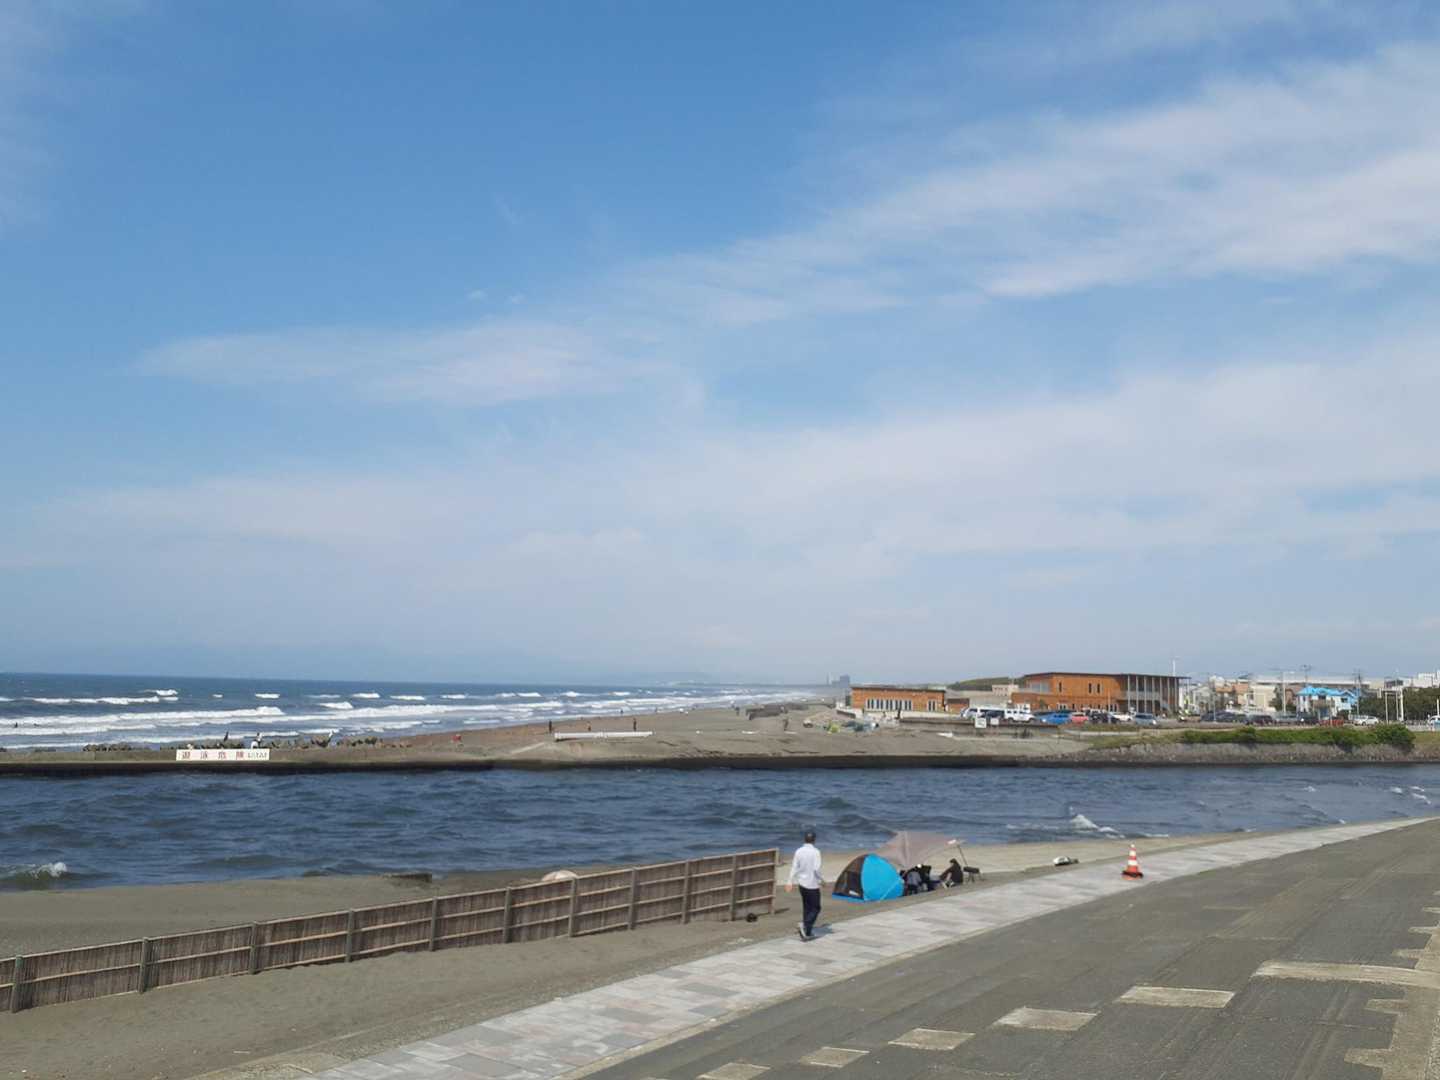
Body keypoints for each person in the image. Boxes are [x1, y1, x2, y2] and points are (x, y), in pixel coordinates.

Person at [785, 829, 823, 941]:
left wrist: (789, 881)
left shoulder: (798, 851)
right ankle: (805, 924)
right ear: (814, 840)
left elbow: (794, 867)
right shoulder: (816, 852)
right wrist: (821, 880)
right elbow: (816, 869)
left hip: (801, 883)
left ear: (805, 839)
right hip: (812, 884)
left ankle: (807, 933)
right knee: (816, 908)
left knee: (807, 908)